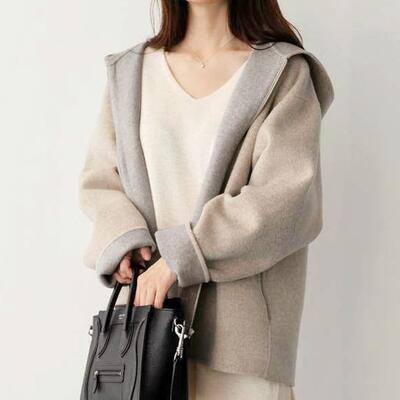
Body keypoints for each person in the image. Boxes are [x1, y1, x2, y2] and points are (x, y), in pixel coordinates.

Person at [79, 1, 334, 399]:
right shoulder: (130, 72)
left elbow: (285, 199)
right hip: (143, 342)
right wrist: (124, 239)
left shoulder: (283, 73)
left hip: (239, 348)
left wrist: (179, 257)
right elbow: (100, 180)